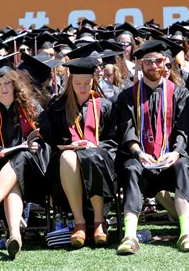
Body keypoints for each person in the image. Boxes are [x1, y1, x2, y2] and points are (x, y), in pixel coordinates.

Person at [116, 40, 189, 254]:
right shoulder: (127, 96)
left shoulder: (180, 93)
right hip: (142, 158)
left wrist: (176, 152)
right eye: (148, 62)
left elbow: (183, 129)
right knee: (131, 168)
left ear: (166, 63)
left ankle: (186, 234)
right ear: (141, 65)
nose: (153, 66)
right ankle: (130, 236)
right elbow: (127, 131)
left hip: (171, 157)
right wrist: (139, 153)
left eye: (158, 61)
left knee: (184, 166)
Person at [0, 55, 51, 259]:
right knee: (13, 167)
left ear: (15, 82)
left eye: (7, 82)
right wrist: (7, 151)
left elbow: (46, 138)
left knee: (20, 158)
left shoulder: (32, 107)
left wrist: (34, 144)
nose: (4, 88)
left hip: (33, 174)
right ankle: (15, 234)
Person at [47, 56, 117, 248]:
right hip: (67, 164)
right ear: (70, 82)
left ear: (94, 81)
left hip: (98, 158)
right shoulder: (58, 107)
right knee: (69, 156)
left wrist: (96, 146)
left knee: (92, 156)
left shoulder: (105, 105)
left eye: (87, 82)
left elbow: (112, 139)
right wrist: (73, 144)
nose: (83, 87)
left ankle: (98, 221)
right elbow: (52, 140)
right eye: (78, 83)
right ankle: (80, 223)